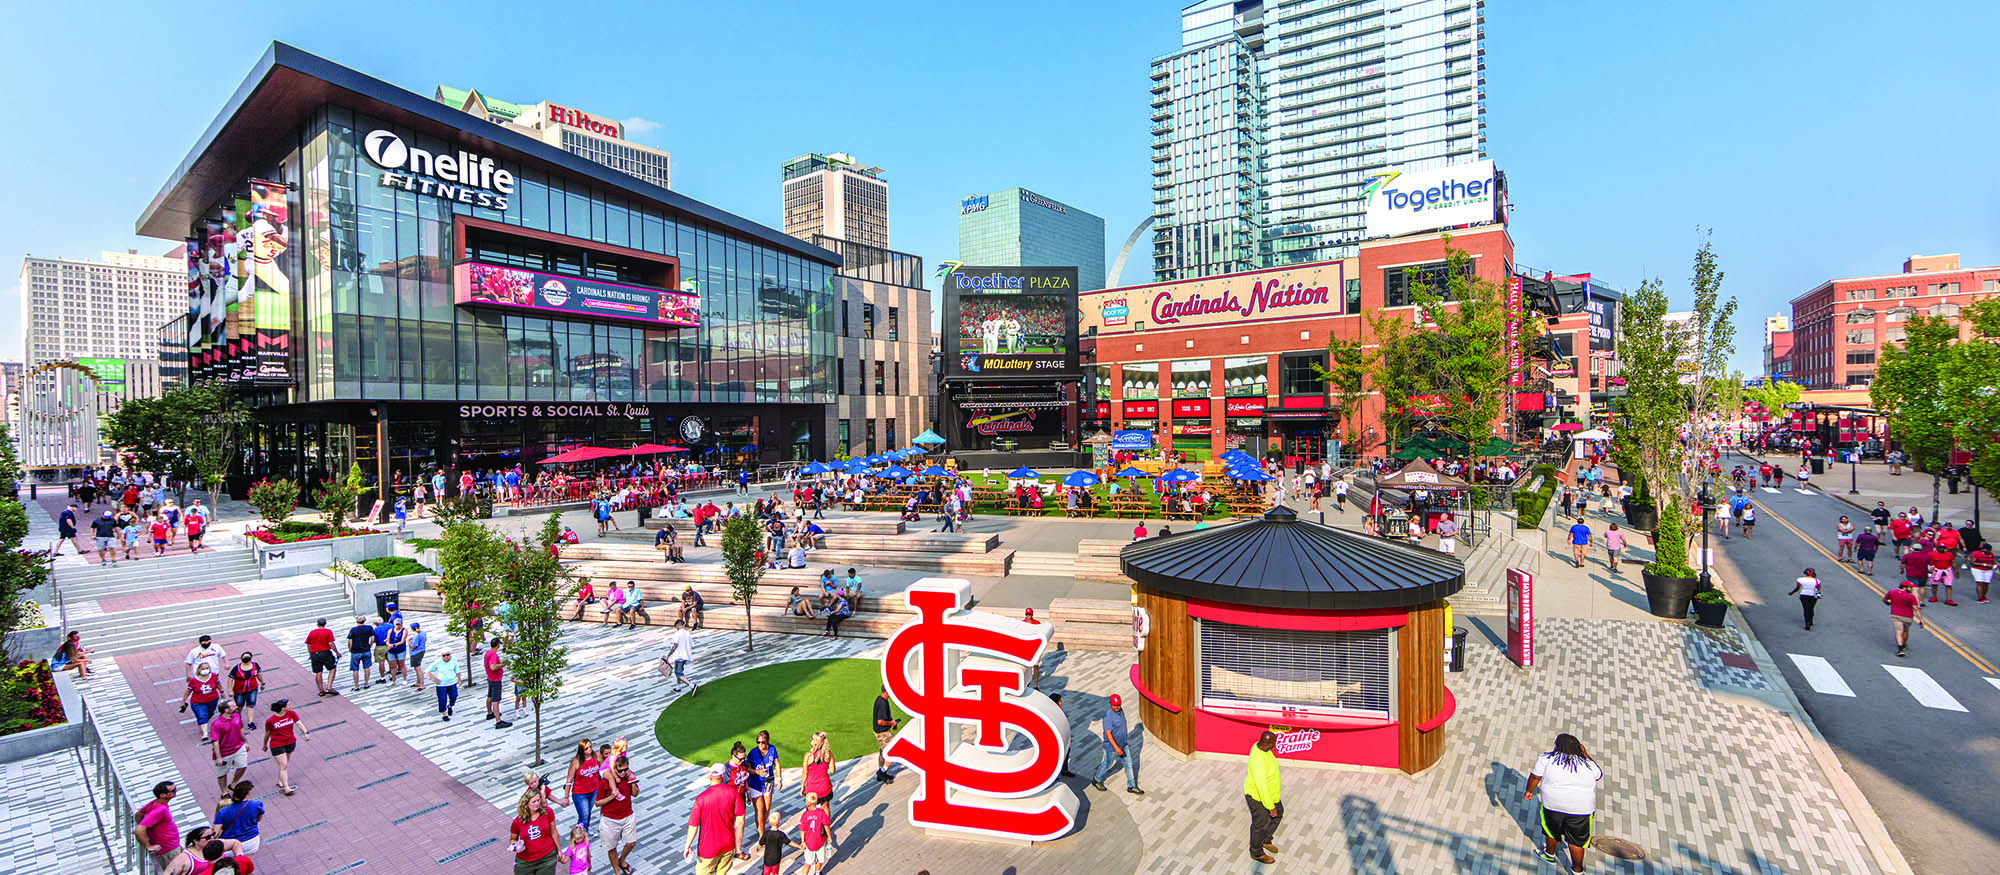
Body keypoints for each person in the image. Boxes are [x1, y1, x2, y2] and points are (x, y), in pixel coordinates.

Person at [1525, 733, 1604, 874]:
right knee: (1577, 842)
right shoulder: (1587, 764)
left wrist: (1529, 790)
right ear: (1579, 748)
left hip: (1552, 805)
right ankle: (1577, 871)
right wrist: (1585, 754)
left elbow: (1536, 776)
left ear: (1557, 746)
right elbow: (1599, 775)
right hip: (1581, 810)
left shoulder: (1546, 759)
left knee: (1551, 830)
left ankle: (1549, 855)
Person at [686, 762, 747, 875]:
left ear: (710, 776)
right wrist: (738, 848)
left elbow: (693, 826)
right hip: (728, 845)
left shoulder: (701, 799)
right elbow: (740, 822)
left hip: (707, 849)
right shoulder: (733, 793)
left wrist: (687, 846)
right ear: (723, 776)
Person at [1244, 730, 1283, 865]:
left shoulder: (1261, 747)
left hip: (1270, 795)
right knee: (1260, 824)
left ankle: (1265, 840)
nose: (1275, 745)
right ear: (1269, 744)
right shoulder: (1258, 760)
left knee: (1278, 814)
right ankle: (1256, 852)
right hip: (1257, 796)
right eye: (1274, 743)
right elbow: (1261, 786)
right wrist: (1270, 806)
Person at [596, 754, 639, 875]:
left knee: (631, 843)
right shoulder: (605, 782)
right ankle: (616, 872)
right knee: (612, 847)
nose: (624, 772)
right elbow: (597, 803)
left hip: (627, 815)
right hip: (610, 819)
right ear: (615, 769)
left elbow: (635, 794)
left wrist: (632, 783)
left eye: (626, 769)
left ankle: (622, 860)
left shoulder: (628, 777)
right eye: (621, 770)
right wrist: (612, 796)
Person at [1092, 694, 1142, 795]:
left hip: (1124, 745)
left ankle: (1131, 786)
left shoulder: (1120, 711)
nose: (1117, 707)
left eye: (1118, 705)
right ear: (1110, 704)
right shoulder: (1108, 716)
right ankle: (1096, 779)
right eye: (1115, 705)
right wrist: (1116, 748)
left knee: (1128, 764)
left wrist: (1122, 745)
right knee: (1107, 764)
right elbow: (1108, 734)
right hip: (1111, 748)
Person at [509, 788, 562, 875]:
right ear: (526, 804)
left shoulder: (548, 812)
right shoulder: (517, 821)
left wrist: (559, 850)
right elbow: (512, 839)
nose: (537, 803)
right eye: (534, 802)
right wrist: (515, 846)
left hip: (547, 857)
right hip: (525, 860)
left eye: (538, 800)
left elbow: (553, 832)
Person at [261, 699, 307, 795]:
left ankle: (280, 781)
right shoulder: (270, 720)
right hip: (277, 744)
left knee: (284, 764)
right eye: (289, 705)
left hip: (290, 742)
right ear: (283, 708)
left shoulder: (292, 714)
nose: (290, 706)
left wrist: (305, 732)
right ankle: (287, 788)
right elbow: (267, 733)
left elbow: (299, 723)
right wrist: (264, 744)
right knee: (284, 765)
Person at [135, 781, 181, 873]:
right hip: (168, 850)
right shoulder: (160, 810)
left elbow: (139, 814)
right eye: (173, 790)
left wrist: (146, 827)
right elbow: (139, 830)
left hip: (170, 847)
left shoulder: (154, 803)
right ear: (163, 795)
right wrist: (148, 846)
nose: (176, 791)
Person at [746, 730, 782, 836]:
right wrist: (757, 772)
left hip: (768, 782)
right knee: (759, 810)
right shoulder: (753, 753)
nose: (760, 744)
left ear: (767, 741)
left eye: (763, 742)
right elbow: (747, 768)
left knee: (766, 809)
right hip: (755, 784)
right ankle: (761, 836)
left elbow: (777, 763)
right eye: (758, 742)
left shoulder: (772, 749)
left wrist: (779, 779)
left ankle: (761, 825)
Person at [213, 780, 264, 855]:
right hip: (252, 841)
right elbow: (258, 819)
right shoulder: (256, 804)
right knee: (246, 864)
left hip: (230, 845)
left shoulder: (222, 811)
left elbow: (216, 833)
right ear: (248, 792)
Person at [566, 739, 601, 837]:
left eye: (590, 746)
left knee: (588, 812)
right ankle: (580, 835)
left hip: (594, 790)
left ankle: (585, 829)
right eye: (586, 748)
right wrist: (566, 797)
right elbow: (569, 780)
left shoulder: (597, 756)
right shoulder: (576, 762)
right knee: (584, 815)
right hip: (580, 793)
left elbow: (603, 770)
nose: (589, 749)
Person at [181, 663, 223, 742]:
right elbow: (188, 691)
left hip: (212, 700)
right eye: (203, 669)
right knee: (202, 715)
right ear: (199, 670)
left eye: (207, 668)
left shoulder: (213, 676)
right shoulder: (194, 680)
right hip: (198, 702)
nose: (205, 670)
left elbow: (218, 684)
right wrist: (183, 701)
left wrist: (222, 692)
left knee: (210, 714)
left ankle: (203, 724)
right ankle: (205, 733)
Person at [1885, 580, 1922, 658]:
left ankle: (1900, 649)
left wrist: (1888, 603)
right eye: (1910, 587)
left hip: (1896, 615)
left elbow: (1885, 600)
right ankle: (1904, 644)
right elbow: (1916, 608)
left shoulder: (1892, 592)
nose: (1911, 589)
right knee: (1905, 631)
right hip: (1908, 617)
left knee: (1899, 632)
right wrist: (1921, 620)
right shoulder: (1911, 597)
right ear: (1905, 588)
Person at [873, 686, 900, 783]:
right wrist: (891, 723)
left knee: (882, 752)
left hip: (879, 731)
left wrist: (892, 722)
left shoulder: (879, 699)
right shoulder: (883, 703)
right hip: (883, 732)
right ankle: (882, 772)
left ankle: (881, 771)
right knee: (894, 750)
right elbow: (880, 721)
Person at [306, 618, 340, 697]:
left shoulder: (312, 632)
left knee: (318, 672)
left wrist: (310, 653)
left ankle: (321, 690)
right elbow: (331, 643)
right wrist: (337, 652)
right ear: (325, 623)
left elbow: (308, 644)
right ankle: (329, 687)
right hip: (325, 653)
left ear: (317, 624)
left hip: (314, 654)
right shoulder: (328, 632)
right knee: (332, 668)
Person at [486, 638, 514, 728]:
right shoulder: (493, 655)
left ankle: (490, 713)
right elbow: (493, 667)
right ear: (498, 645)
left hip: (490, 678)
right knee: (496, 700)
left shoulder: (488, 653)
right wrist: (504, 664)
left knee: (490, 696)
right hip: (495, 679)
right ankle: (498, 721)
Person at [800, 731, 833, 804]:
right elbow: (832, 771)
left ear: (814, 742)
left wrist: (802, 786)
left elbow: (804, 773)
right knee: (825, 807)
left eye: (812, 739)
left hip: (811, 789)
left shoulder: (808, 755)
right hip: (825, 787)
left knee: (810, 810)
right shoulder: (828, 754)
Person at [428, 650, 461, 720]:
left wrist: (459, 679)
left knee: (454, 696)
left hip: (452, 682)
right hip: (441, 684)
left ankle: (450, 705)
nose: (446, 656)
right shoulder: (438, 662)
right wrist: (434, 679)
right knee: (442, 699)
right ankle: (444, 714)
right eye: (444, 655)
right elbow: (427, 671)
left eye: (448, 655)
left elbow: (457, 670)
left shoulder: (454, 660)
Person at [345, 616, 375, 691]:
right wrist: (370, 645)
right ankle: (366, 683)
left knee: (355, 669)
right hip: (366, 650)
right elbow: (372, 638)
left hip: (356, 651)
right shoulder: (369, 628)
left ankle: (356, 686)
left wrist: (350, 649)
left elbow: (350, 641)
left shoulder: (353, 630)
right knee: (367, 667)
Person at [667, 619, 697, 692]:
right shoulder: (687, 633)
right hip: (685, 656)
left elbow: (675, 645)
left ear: (677, 625)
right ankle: (678, 687)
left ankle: (692, 686)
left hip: (679, 656)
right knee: (679, 671)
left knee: (678, 673)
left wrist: (668, 655)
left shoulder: (677, 634)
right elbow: (691, 644)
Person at [408, 622, 428, 691]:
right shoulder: (423, 633)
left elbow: (413, 647)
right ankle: (418, 682)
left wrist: (408, 641)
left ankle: (422, 685)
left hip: (416, 653)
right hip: (422, 650)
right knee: (416, 668)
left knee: (418, 668)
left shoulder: (417, 636)